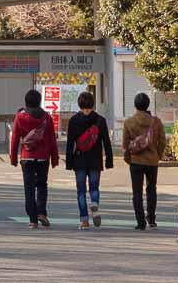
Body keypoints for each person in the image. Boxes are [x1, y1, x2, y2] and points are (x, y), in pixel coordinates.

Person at [10, 89, 59, 229]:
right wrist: (54, 158)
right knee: (42, 185)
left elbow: (14, 139)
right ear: (39, 101)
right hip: (43, 157)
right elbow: (52, 140)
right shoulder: (47, 118)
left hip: (27, 157)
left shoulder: (20, 117)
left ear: (26, 101)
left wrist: (13, 157)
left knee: (29, 187)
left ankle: (32, 219)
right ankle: (41, 212)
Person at [65, 91, 114, 230]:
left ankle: (84, 220)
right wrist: (109, 160)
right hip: (95, 159)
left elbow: (70, 143)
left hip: (79, 159)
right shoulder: (100, 120)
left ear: (79, 103)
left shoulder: (74, 120)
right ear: (92, 103)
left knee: (81, 191)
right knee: (94, 187)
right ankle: (95, 204)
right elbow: (106, 142)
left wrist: (69, 162)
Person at [122, 92, 168, 230]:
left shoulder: (129, 122)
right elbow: (162, 141)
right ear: (148, 104)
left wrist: (128, 157)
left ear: (135, 105)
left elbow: (125, 143)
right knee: (151, 189)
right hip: (152, 161)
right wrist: (157, 155)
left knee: (137, 192)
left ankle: (140, 222)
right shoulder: (156, 121)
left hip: (136, 161)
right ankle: (152, 219)